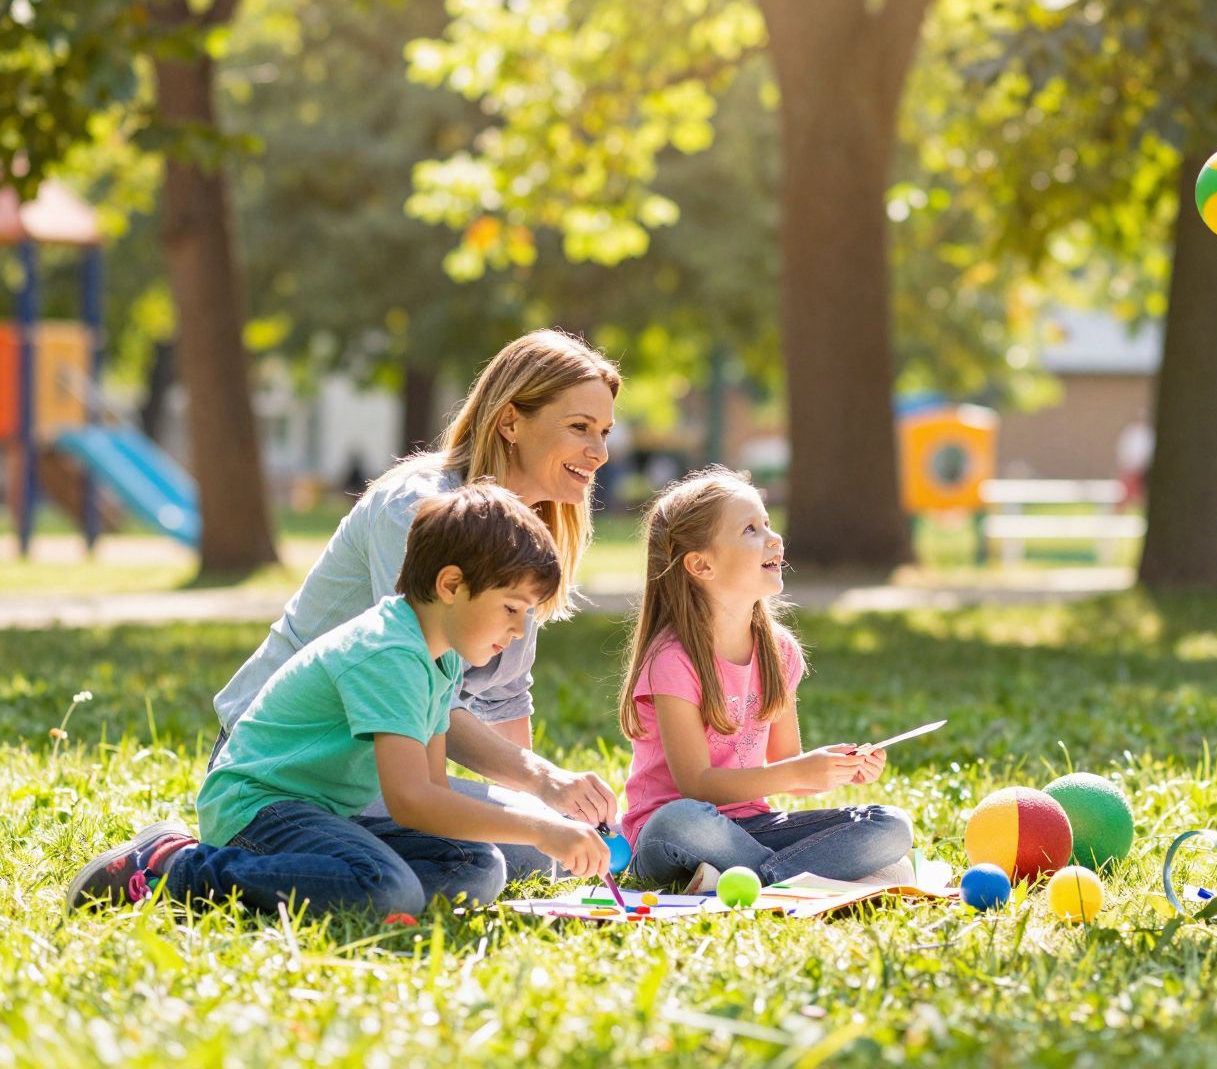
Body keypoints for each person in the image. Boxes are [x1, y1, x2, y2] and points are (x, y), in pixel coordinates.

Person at [68, 484, 609, 916]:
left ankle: (345, 891)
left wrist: (535, 822)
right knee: (387, 890)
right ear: (450, 585)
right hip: (259, 809)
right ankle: (176, 866)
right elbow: (412, 801)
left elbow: (436, 795)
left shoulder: (440, 657)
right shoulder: (388, 652)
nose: (519, 630)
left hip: (325, 813)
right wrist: (541, 828)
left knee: (478, 866)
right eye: (512, 607)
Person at [210, 330, 622, 879]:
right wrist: (542, 787)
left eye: (604, 432)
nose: (600, 452)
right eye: (579, 428)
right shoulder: (420, 507)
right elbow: (406, 682)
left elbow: (502, 693)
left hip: (386, 763)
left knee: (537, 853)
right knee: (527, 848)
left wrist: (544, 804)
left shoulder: (523, 535)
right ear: (510, 421)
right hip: (291, 765)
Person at [617, 467, 913, 889]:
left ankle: (749, 876)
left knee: (891, 825)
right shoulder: (672, 658)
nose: (774, 539)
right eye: (750, 529)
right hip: (674, 835)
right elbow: (696, 786)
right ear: (701, 564)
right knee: (681, 820)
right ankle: (810, 875)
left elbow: (787, 763)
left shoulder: (779, 651)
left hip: (753, 830)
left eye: (768, 523)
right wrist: (798, 773)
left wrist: (832, 768)